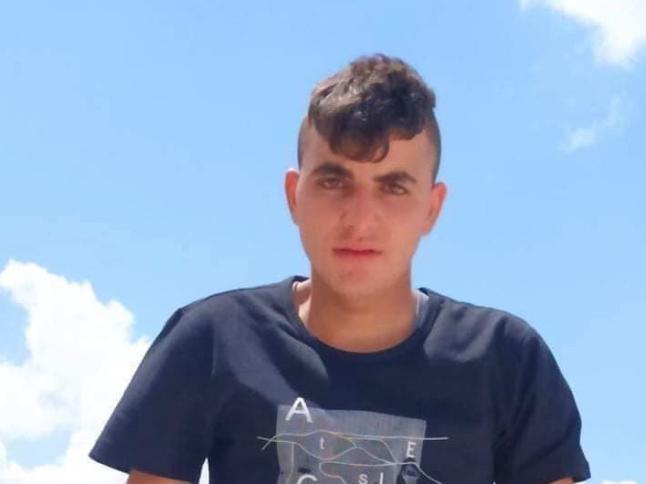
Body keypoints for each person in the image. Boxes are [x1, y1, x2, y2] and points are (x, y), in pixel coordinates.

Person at [89, 53, 591, 484]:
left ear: (431, 209)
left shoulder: (507, 359)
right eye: (334, 181)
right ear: (294, 196)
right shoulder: (214, 340)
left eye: (393, 187)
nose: (360, 219)